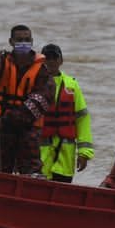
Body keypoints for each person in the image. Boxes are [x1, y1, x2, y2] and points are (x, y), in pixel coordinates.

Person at [0, 25, 51, 174]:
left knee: (31, 171)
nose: (23, 43)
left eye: (27, 39)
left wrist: (5, 121)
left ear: (32, 41)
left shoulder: (43, 72)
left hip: (27, 132)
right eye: (19, 40)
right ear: (11, 42)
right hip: (0, 134)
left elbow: (36, 105)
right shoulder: (4, 62)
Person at [38, 44, 94, 183]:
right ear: (41, 61)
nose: (51, 61)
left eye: (54, 57)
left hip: (66, 154)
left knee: (62, 192)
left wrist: (84, 153)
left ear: (61, 61)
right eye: (47, 58)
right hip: (40, 153)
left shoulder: (72, 85)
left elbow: (82, 118)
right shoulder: (35, 83)